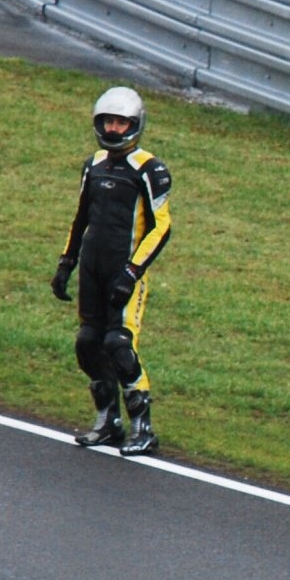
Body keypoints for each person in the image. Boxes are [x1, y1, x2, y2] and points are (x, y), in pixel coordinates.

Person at [52, 87, 172, 456]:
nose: (114, 129)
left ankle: (143, 428)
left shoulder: (150, 169)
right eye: (108, 122)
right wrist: (66, 263)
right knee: (88, 344)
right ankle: (108, 422)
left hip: (125, 273)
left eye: (122, 122)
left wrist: (132, 272)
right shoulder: (93, 165)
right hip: (92, 270)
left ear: (135, 125)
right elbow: (80, 218)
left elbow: (162, 227)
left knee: (118, 344)